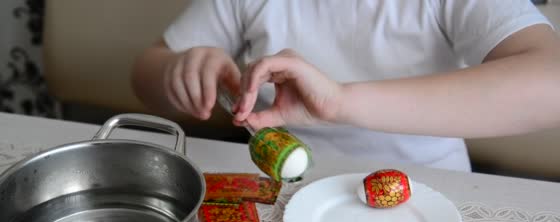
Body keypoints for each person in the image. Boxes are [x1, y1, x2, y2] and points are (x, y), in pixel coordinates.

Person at [131, 0, 560, 172]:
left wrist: (340, 102)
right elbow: (145, 73)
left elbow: (550, 81)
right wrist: (178, 71)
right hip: (282, 192)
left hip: (430, 190)